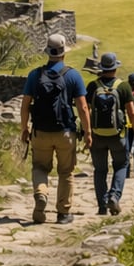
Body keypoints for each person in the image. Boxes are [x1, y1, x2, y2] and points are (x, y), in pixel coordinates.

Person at [20, 33, 90, 224]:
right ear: (63, 53)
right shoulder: (73, 75)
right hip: (65, 131)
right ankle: (63, 213)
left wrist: (24, 128)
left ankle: (41, 193)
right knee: (66, 172)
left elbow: (25, 104)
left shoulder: (35, 75)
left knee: (40, 167)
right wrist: (88, 132)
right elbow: (83, 107)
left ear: (48, 52)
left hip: (40, 131)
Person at [86, 53, 134, 215]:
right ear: (115, 67)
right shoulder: (123, 87)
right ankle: (114, 196)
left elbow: (86, 110)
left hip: (97, 135)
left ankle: (102, 205)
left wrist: (86, 133)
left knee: (100, 170)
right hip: (118, 135)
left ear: (101, 68)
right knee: (121, 165)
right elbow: (132, 113)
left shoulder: (93, 86)